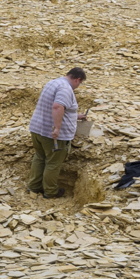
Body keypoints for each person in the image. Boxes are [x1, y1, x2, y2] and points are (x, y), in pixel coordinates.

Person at [27, 66, 87, 198]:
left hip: (37, 130)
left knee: (40, 157)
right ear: (78, 79)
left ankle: (33, 187)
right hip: (52, 135)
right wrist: (57, 128)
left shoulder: (53, 82)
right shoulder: (65, 89)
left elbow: (54, 107)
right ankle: (50, 191)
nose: (78, 86)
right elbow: (57, 106)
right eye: (80, 83)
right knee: (53, 162)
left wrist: (75, 116)